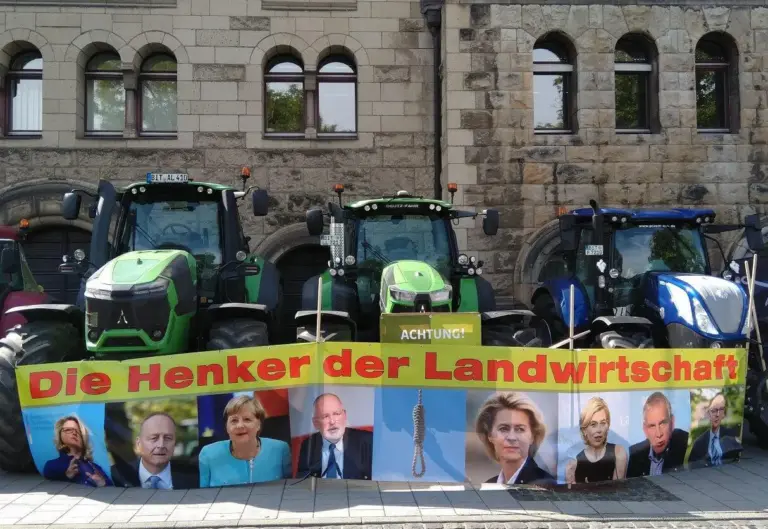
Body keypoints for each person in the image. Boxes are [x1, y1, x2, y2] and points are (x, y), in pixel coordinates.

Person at [198, 395, 291, 487]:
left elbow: (290, 490)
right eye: (234, 420)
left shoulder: (280, 450)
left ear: (259, 425)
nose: (240, 426)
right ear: (226, 427)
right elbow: (204, 495)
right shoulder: (208, 455)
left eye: (247, 419)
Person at [474, 392, 555, 486]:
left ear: (532, 436)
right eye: (503, 429)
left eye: (520, 429)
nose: (511, 437)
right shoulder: (488, 486)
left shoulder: (547, 486)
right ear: (489, 435)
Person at [296, 393, 373, 480]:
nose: (332, 421)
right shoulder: (308, 444)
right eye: (325, 416)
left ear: (344, 416)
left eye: (336, 414)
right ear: (315, 423)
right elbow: (303, 482)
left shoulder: (367, 442)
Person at [112, 412, 198, 489]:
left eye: (168, 438)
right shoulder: (114, 477)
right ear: (139, 443)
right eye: (154, 438)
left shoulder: (194, 477)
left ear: (174, 443)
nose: (161, 445)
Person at [565, 397, 627, 484]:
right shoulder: (574, 463)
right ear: (584, 430)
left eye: (603, 423)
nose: (599, 430)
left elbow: (617, 490)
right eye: (593, 424)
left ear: (608, 426)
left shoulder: (618, 452)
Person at [626, 392, 689, 478]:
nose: (659, 434)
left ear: (672, 422)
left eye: (663, 423)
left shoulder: (685, 445)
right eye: (652, 426)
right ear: (645, 429)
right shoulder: (636, 455)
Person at [42, 415, 112, 488]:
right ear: (60, 436)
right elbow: (48, 474)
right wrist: (67, 475)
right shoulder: (53, 465)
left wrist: (103, 483)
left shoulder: (95, 467)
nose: (74, 433)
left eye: (78, 431)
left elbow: (112, 489)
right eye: (68, 430)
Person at [688, 392, 743, 466]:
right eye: (714, 410)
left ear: (724, 414)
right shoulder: (699, 443)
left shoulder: (731, 437)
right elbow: (692, 466)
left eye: (721, 409)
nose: (717, 414)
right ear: (709, 413)